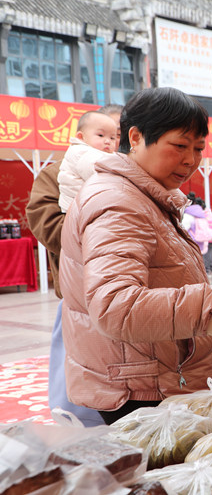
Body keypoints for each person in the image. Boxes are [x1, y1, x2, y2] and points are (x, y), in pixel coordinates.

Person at [58, 87, 212, 424]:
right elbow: (115, 307)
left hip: (155, 376)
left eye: (198, 149)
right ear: (136, 137)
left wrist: (208, 296)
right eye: (180, 146)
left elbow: (155, 276)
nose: (191, 160)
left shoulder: (145, 195)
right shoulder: (117, 201)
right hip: (141, 391)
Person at [26, 104, 122, 427]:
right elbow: (44, 222)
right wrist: (97, 237)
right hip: (79, 292)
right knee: (77, 383)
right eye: (105, 134)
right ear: (83, 136)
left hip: (128, 294)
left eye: (117, 136)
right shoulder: (57, 173)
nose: (111, 142)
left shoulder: (127, 172)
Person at [57, 111, 118, 212]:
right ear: (81, 137)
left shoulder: (97, 153)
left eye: (112, 138)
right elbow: (98, 174)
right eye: (101, 135)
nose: (107, 141)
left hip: (84, 206)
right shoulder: (82, 152)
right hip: (78, 208)